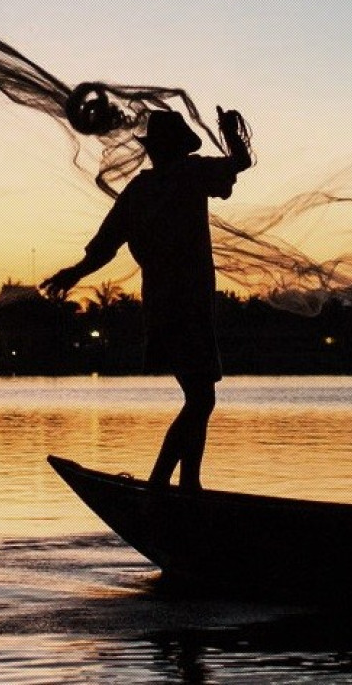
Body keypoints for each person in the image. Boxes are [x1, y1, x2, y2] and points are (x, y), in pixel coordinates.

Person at [43, 108, 253, 489]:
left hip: (163, 304)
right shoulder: (191, 173)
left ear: (155, 150)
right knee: (202, 398)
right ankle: (162, 485)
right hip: (188, 304)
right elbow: (241, 161)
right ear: (179, 148)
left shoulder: (140, 191)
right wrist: (231, 133)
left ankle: (188, 484)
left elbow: (103, 250)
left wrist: (71, 274)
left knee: (199, 395)